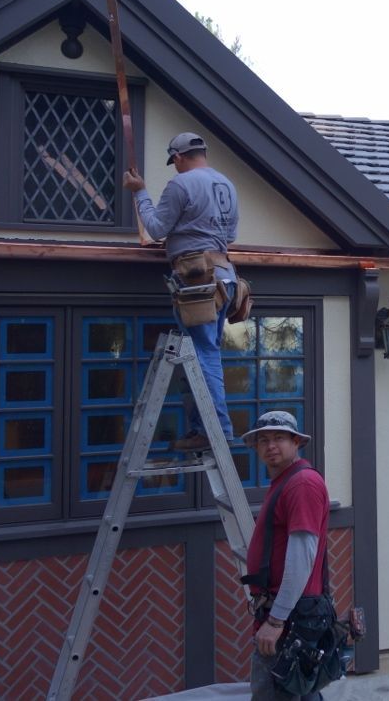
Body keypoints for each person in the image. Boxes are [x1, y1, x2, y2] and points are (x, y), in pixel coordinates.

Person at [123, 131, 239, 451]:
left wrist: (140, 192)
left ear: (177, 157)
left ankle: (218, 430)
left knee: (203, 356)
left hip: (197, 281)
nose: (174, 167)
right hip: (224, 278)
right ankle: (201, 429)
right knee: (201, 353)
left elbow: (157, 229)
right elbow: (229, 235)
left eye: (173, 161)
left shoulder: (181, 184)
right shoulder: (226, 184)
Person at [242, 410, 330, 701]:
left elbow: (302, 556)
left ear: (296, 443)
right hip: (292, 613)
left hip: (289, 618)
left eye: (279, 437)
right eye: (263, 440)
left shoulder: (301, 484)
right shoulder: (286, 481)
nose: (270, 446)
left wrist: (276, 621)